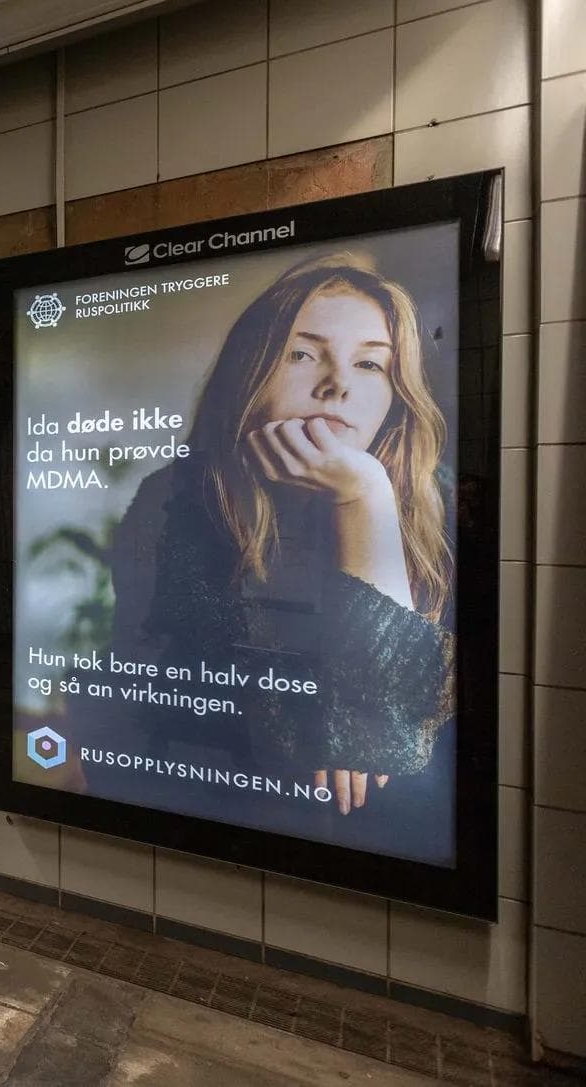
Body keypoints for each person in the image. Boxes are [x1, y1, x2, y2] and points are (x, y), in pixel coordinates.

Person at [65, 252, 456, 856]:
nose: (338, 385)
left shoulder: (446, 503)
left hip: (393, 860)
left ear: (396, 393)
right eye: (303, 354)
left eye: (371, 364)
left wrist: (365, 499)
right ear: (251, 372)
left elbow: (385, 744)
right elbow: (169, 694)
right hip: (202, 823)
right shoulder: (175, 497)